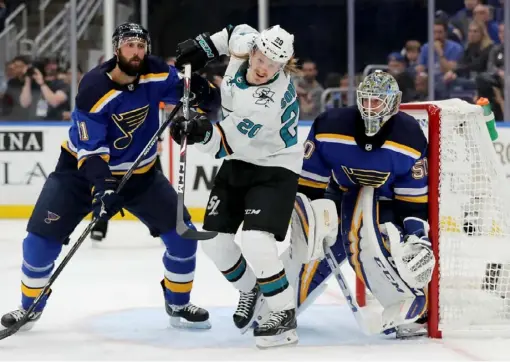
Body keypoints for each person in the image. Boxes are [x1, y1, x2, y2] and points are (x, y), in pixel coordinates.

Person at [1, 23, 219, 331]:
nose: (136, 51)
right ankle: (29, 307)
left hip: (141, 175)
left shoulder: (156, 72)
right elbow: (90, 151)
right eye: (129, 45)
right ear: (116, 49)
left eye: (141, 45)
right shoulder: (93, 88)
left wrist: (199, 86)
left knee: (183, 238)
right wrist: (102, 190)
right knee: (38, 244)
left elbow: (200, 99)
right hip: (79, 174)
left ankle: (178, 302)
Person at [170, 24, 303, 348]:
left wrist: (198, 131)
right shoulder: (244, 43)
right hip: (240, 161)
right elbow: (233, 31)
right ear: (253, 49)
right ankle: (250, 288)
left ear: (282, 67)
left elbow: (222, 144)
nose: (262, 68)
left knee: (257, 240)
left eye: (272, 65)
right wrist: (204, 47)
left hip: (274, 166)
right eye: (260, 58)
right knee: (214, 241)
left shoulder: (266, 103)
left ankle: (284, 314)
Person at [284, 70, 435, 337]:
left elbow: (411, 203)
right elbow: (308, 187)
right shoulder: (331, 125)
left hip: (388, 203)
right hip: (340, 194)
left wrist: (416, 235)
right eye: (365, 100)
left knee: (399, 248)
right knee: (311, 249)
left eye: (376, 101)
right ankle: (280, 303)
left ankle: (410, 301)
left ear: (392, 103)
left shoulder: (409, 136)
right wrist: (312, 224)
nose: (368, 108)